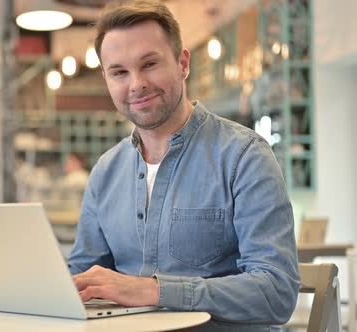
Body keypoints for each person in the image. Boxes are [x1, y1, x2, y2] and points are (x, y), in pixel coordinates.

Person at [67, 1, 300, 330]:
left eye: (149, 64)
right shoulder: (106, 171)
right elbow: (80, 279)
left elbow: (277, 294)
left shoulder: (245, 156)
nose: (136, 84)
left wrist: (154, 290)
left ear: (182, 64)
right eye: (119, 72)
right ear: (107, 80)